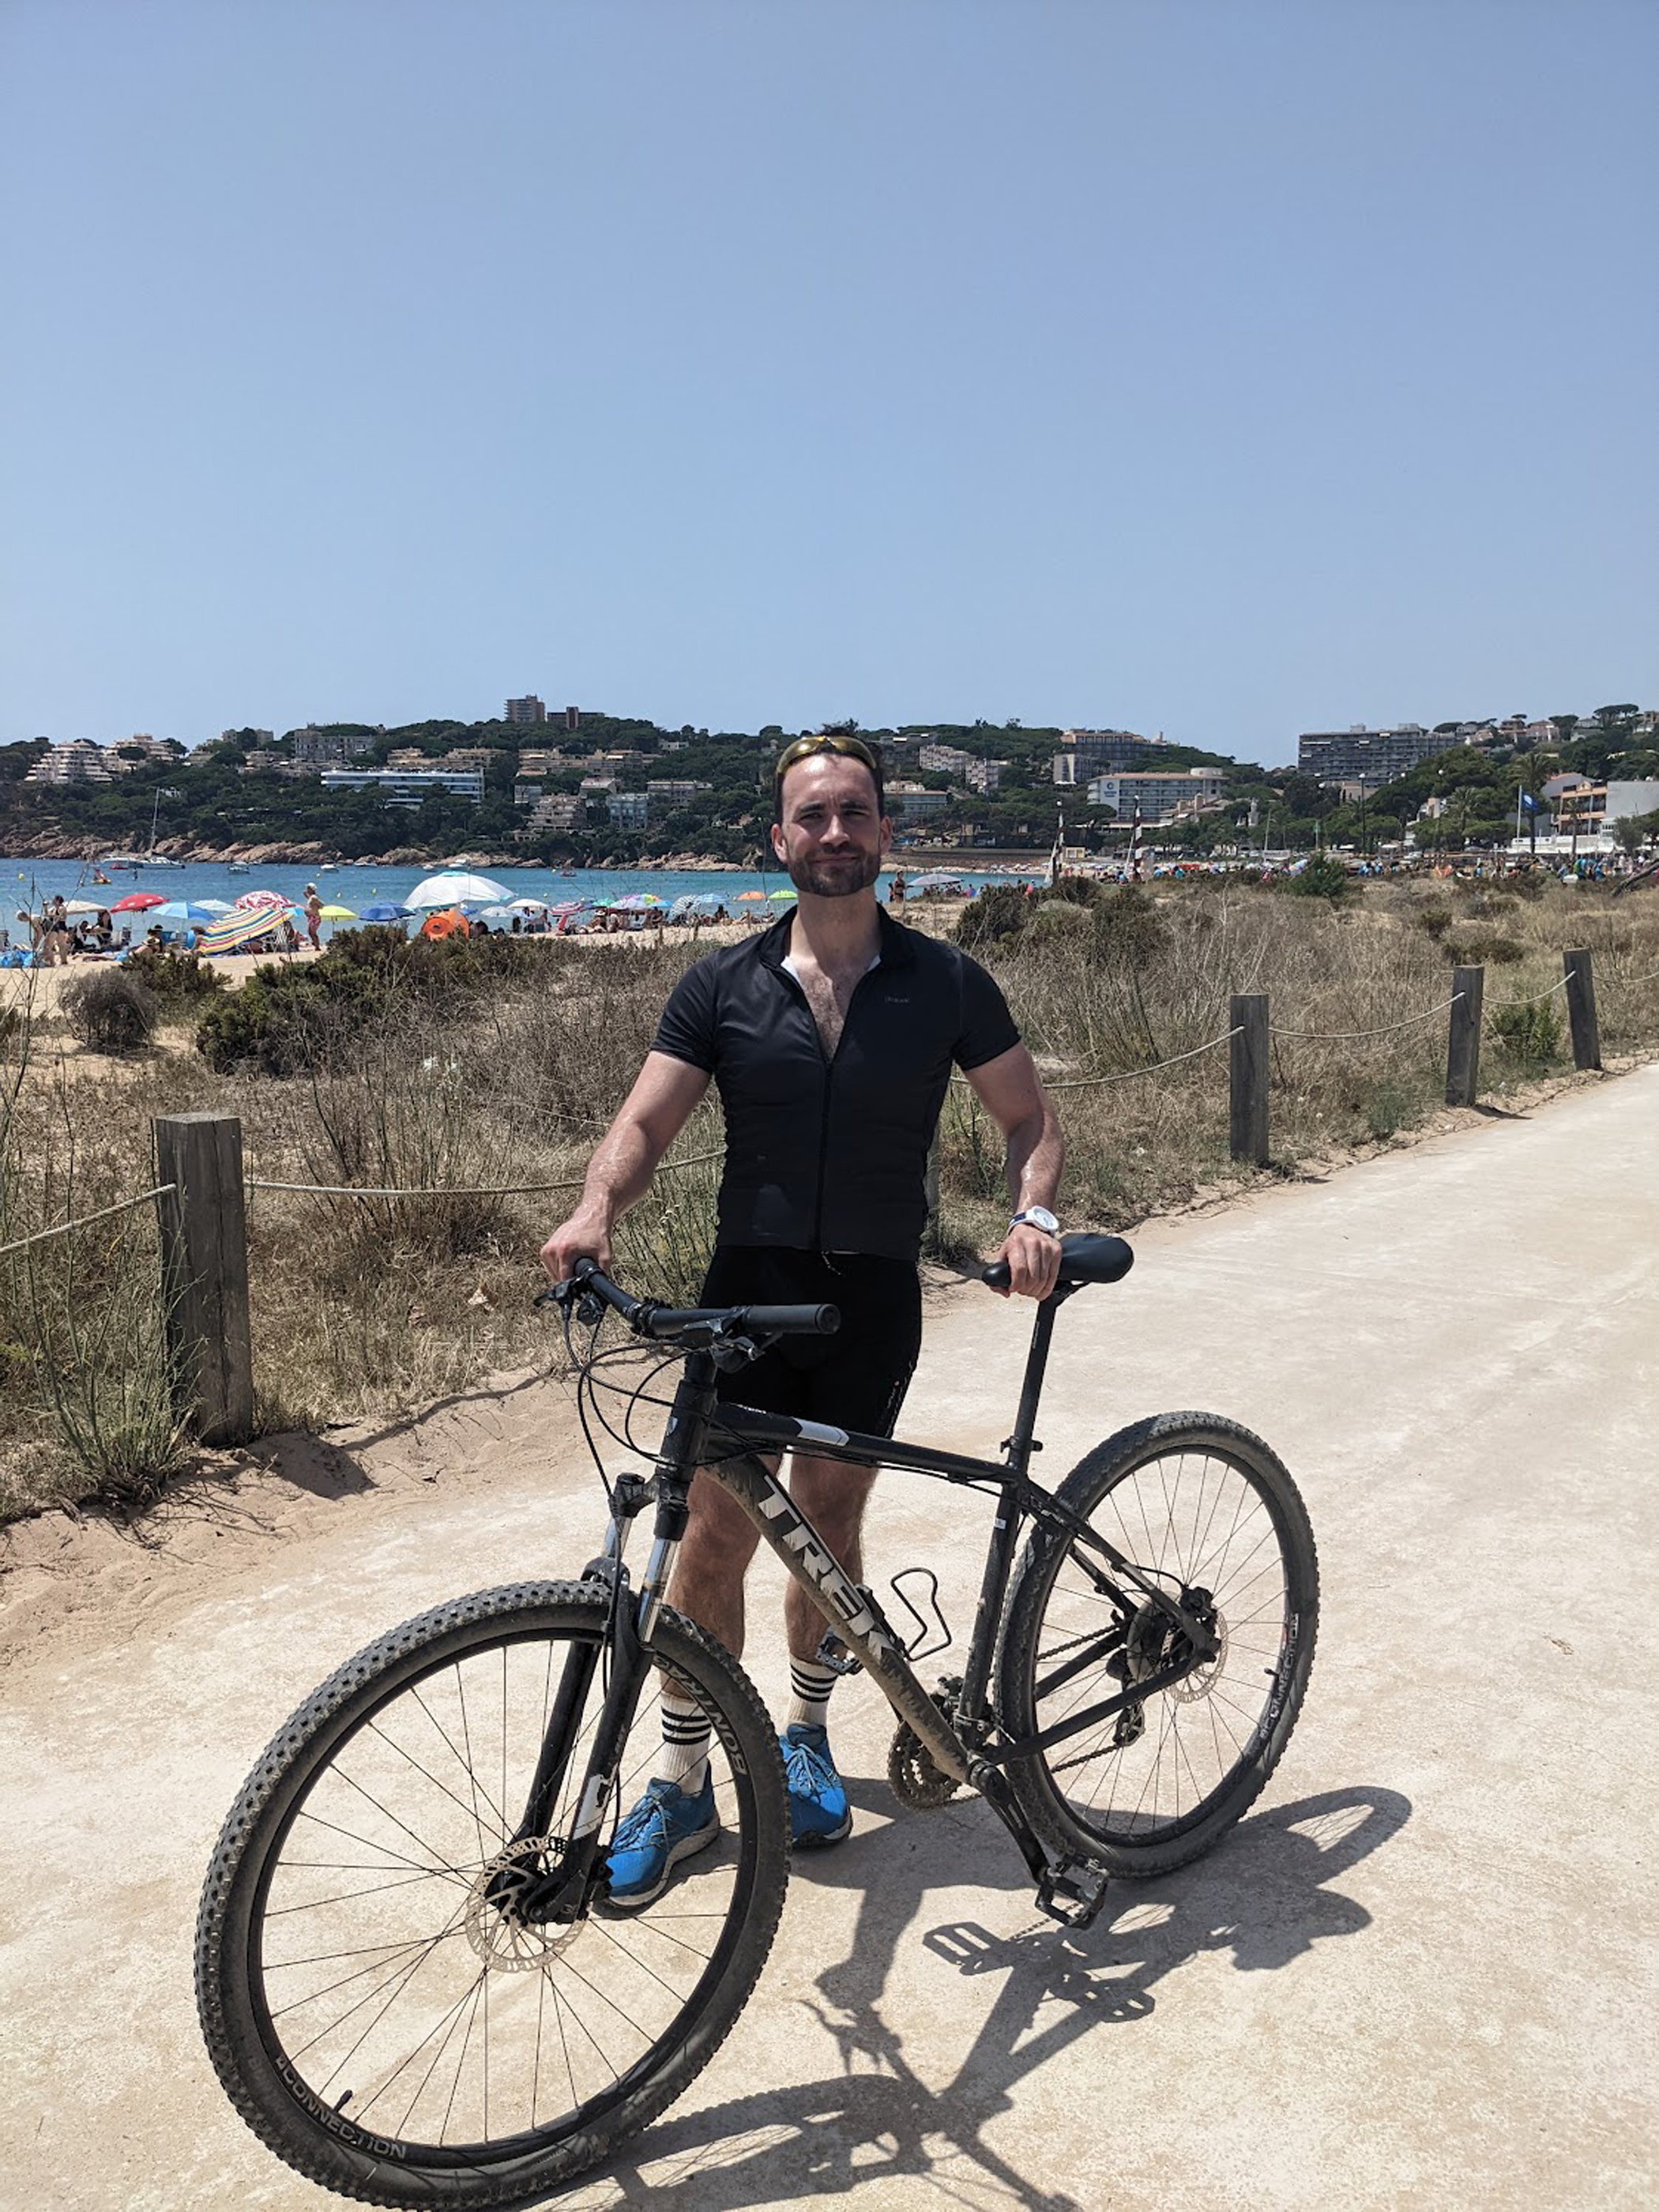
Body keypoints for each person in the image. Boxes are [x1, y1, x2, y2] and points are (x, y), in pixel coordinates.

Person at [541, 731, 1064, 1908]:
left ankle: (807, 1733)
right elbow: (644, 1127)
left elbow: (1028, 1122)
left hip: (872, 1301)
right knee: (716, 1534)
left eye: (855, 814)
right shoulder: (722, 983)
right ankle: (681, 1784)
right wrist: (593, 1209)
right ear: (778, 839)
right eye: (812, 817)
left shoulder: (946, 983)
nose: (835, 834)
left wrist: (1035, 1214)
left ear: (887, 833)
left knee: (823, 1531)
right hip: (747, 1297)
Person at [303, 884, 322, 951]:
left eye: (308, 888)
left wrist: (318, 906)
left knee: (313, 932)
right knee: (310, 932)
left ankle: (317, 947)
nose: (307, 889)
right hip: (311, 917)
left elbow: (322, 905)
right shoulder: (311, 897)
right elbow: (310, 900)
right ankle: (315, 944)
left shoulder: (314, 897)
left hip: (315, 917)